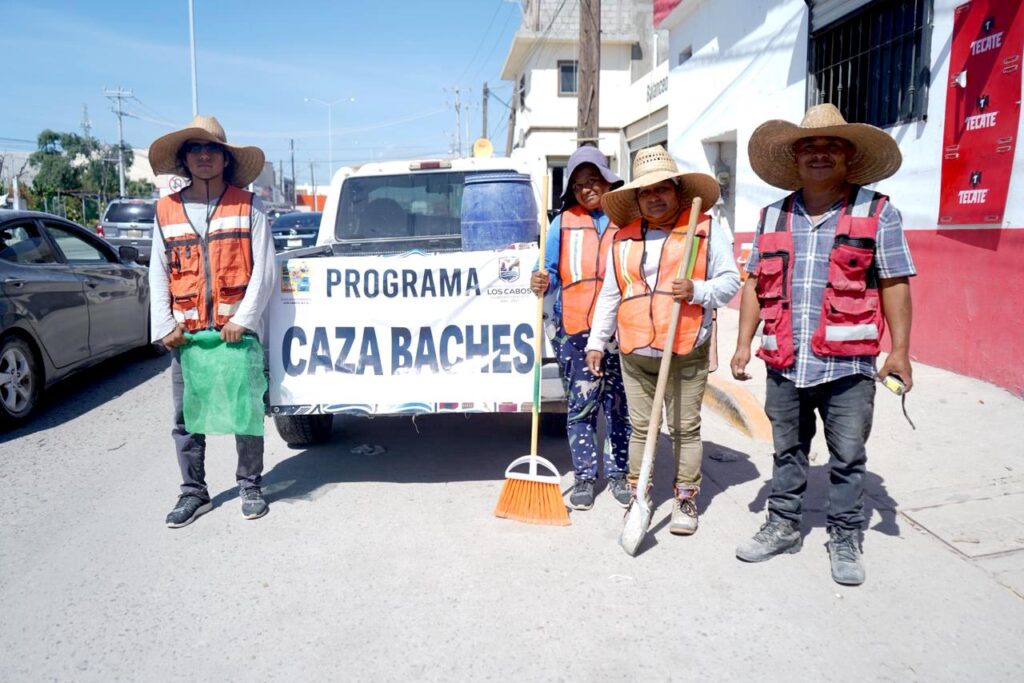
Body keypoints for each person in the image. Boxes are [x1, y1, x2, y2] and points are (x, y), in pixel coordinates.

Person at [731, 104, 915, 585]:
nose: (819, 154)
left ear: (848, 157)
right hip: (785, 361)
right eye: (808, 146)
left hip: (849, 367)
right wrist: (743, 344)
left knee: (848, 456)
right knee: (786, 450)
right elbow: (754, 284)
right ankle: (783, 526)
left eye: (831, 146)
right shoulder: (772, 215)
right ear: (795, 158)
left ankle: (845, 535)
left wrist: (899, 351)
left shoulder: (877, 211)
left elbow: (894, 282)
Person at [585, 146, 740, 535]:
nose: (654, 197)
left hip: (685, 346)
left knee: (684, 427)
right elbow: (611, 294)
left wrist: (697, 290)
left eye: (662, 189)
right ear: (637, 198)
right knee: (641, 428)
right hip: (635, 350)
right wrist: (596, 342)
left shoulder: (703, 229)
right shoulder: (623, 239)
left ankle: (686, 497)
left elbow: (730, 281)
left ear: (677, 191)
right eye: (646, 192)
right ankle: (639, 495)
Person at [148, 115, 278, 528]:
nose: (204, 156)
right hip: (188, 337)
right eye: (195, 149)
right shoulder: (165, 210)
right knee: (187, 418)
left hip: (236, 333)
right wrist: (165, 325)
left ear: (225, 159)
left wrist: (245, 318)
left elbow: (265, 269)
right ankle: (194, 491)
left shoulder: (249, 205)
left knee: (246, 412)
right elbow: (158, 271)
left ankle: (250, 484)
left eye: (212, 149)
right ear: (185, 159)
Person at [530, 146, 632, 510]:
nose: (586, 189)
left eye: (592, 181)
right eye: (578, 185)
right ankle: (586, 477)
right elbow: (548, 273)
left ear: (607, 180)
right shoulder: (562, 223)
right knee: (581, 408)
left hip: (621, 332)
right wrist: (539, 281)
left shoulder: (629, 218)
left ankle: (619, 474)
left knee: (619, 408)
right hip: (575, 331)